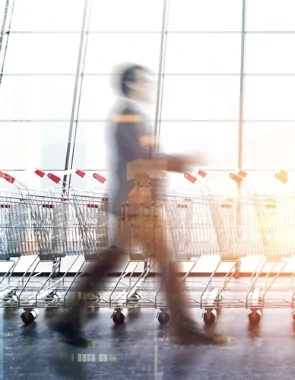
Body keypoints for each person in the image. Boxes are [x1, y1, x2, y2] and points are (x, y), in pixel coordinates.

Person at [50, 63, 226, 347]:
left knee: (112, 262)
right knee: (165, 265)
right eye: (144, 82)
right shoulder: (129, 116)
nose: (149, 87)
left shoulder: (128, 115)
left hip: (135, 203)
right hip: (137, 204)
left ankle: (69, 319)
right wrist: (184, 160)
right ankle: (184, 329)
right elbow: (141, 158)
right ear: (132, 84)